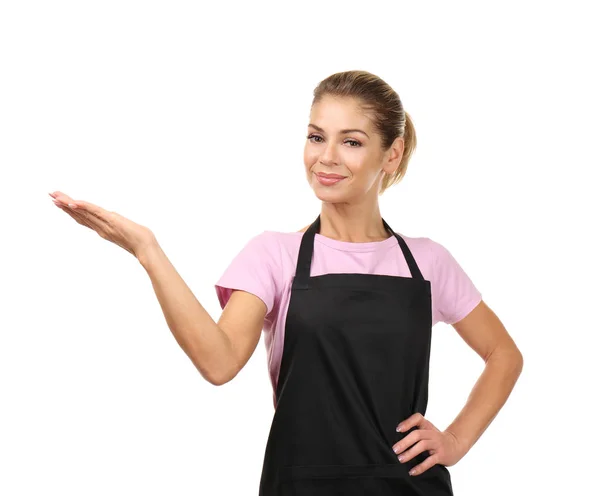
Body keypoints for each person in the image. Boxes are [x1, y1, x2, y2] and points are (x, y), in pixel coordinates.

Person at [49, 70, 523, 496]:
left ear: (391, 153)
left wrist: (456, 440)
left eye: (351, 142)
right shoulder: (274, 254)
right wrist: (147, 251)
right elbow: (218, 362)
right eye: (317, 137)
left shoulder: (426, 262)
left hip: (408, 487)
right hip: (301, 487)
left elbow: (504, 355)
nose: (326, 158)